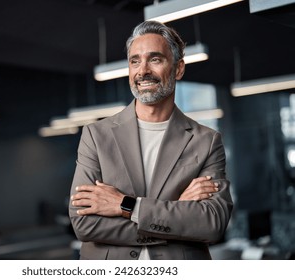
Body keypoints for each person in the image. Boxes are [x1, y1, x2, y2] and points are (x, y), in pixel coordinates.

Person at [69, 21, 233, 260]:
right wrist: (177, 213)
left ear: (178, 69)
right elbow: (83, 223)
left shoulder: (206, 141)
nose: (142, 71)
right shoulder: (96, 135)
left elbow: (212, 223)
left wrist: (126, 206)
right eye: (135, 61)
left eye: (155, 59)